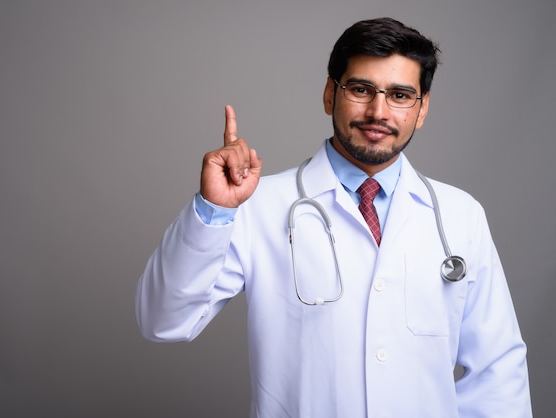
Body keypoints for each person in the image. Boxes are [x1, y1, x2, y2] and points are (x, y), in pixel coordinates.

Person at [136, 17, 532, 417]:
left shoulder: (460, 215)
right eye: (361, 90)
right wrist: (214, 209)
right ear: (330, 94)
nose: (378, 112)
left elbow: (498, 373)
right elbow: (162, 322)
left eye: (400, 95)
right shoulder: (257, 205)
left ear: (422, 108)